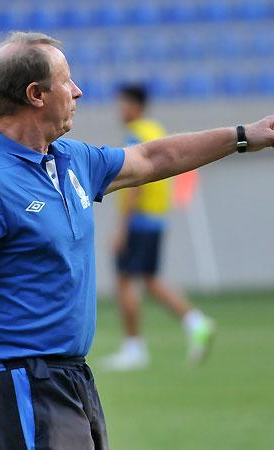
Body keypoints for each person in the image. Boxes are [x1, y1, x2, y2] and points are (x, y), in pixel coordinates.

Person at [0, 31, 274, 450]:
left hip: (70, 375)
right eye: (66, 80)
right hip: (18, 382)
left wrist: (242, 136)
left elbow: (152, 157)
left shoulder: (71, 159)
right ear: (36, 95)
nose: (78, 91)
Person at [102, 84, 214, 371]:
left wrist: (121, 227)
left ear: (135, 105)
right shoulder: (155, 130)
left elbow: (135, 182)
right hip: (156, 217)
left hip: (139, 220)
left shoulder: (135, 134)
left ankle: (134, 348)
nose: (119, 109)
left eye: (123, 103)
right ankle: (195, 321)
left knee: (125, 281)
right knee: (149, 280)